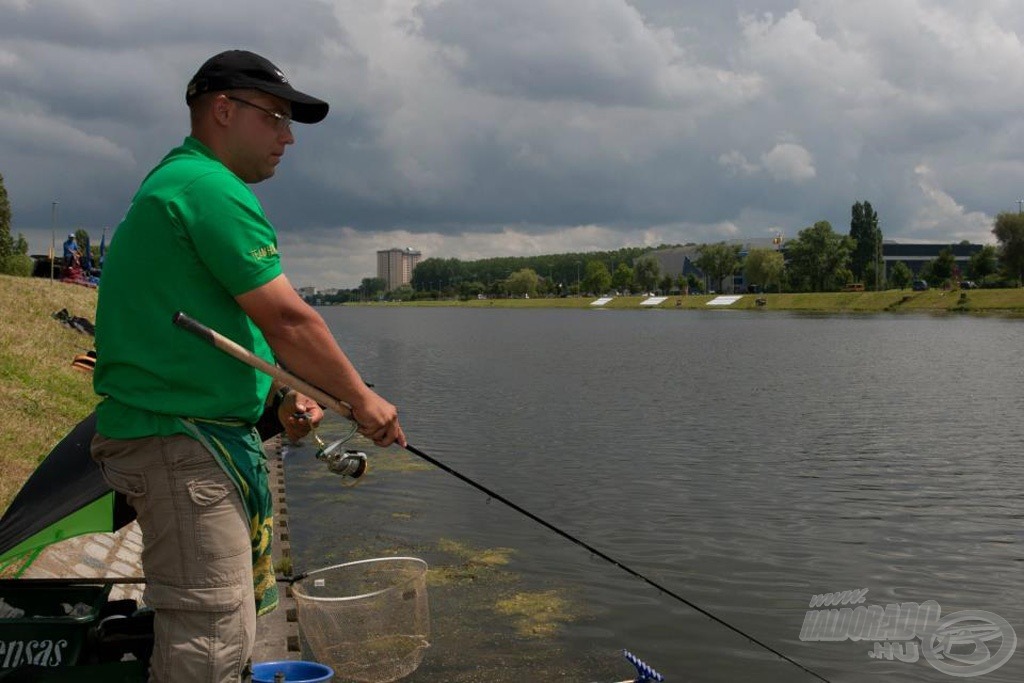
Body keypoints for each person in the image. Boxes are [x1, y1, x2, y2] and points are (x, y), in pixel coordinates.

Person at [91, 50, 406, 683]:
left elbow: (222, 329)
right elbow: (289, 321)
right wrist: (364, 402)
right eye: (277, 119)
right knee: (209, 633)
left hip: (188, 434)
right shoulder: (209, 187)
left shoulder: (182, 181)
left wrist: (279, 399)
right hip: (179, 444)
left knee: (225, 624)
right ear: (224, 110)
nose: (288, 138)